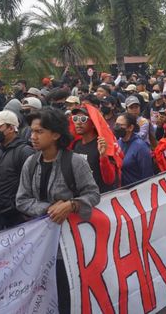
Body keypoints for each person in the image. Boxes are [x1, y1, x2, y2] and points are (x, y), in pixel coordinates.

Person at [16, 108, 100, 314]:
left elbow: (93, 194)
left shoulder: (74, 162)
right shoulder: (31, 163)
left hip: (69, 245)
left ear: (56, 134)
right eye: (32, 131)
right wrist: (49, 209)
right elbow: (21, 200)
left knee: (67, 293)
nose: (33, 136)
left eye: (39, 131)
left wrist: (71, 205)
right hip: (39, 243)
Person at [0, 110, 35, 227]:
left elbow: (33, 185)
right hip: (2, 214)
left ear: (11, 128)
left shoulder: (25, 151)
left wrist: (25, 211)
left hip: (21, 216)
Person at [71, 105, 120, 193]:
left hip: (101, 198)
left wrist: (103, 156)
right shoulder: (76, 145)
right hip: (83, 198)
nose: (78, 122)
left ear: (93, 123)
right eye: (75, 119)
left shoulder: (102, 145)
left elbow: (110, 180)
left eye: (83, 119)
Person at [114, 113, 154, 186]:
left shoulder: (141, 147)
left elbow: (147, 175)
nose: (117, 127)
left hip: (136, 191)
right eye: (116, 124)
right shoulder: (118, 143)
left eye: (120, 125)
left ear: (130, 127)